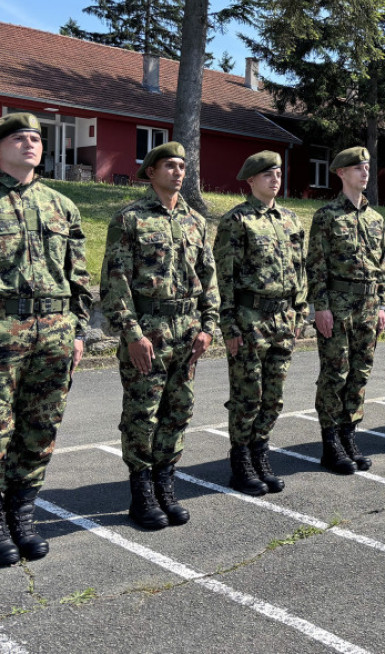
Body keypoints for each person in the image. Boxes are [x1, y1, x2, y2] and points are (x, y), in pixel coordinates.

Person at [101, 141, 219, 530]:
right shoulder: (129, 219)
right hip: (148, 332)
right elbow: (115, 282)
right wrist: (132, 334)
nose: (178, 172)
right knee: (142, 414)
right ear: (150, 171)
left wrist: (208, 326)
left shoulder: (196, 221)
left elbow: (208, 277)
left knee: (178, 411)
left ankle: (165, 485)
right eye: (169, 166)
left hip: (187, 332)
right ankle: (142, 494)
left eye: (182, 166)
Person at [0, 113, 91, 564]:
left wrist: (78, 330)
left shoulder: (62, 206)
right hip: (3, 331)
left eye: (36, 138)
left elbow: (79, 276)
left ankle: (22, 513)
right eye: (19, 138)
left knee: (41, 428)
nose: (29, 144)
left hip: (54, 334)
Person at [214, 151, 307, 495]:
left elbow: (301, 270)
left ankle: (260, 453)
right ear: (251, 180)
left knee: (274, 396)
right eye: (267, 174)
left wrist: (299, 311)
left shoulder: (291, 220)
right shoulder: (236, 221)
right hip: (250, 319)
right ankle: (241, 464)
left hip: (283, 319)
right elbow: (223, 278)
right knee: (247, 396)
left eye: (278, 173)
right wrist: (230, 327)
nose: (275, 179)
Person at [307, 147, 385, 474]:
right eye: (357, 168)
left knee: (359, 373)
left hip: (369, 307)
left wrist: (382, 304)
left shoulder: (376, 219)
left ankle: (349, 434)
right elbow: (316, 265)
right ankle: (330, 444)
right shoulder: (327, 216)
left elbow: (383, 265)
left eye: (367, 167)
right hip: (338, 307)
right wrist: (320, 307)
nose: (364, 172)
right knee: (335, 374)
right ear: (341, 173)